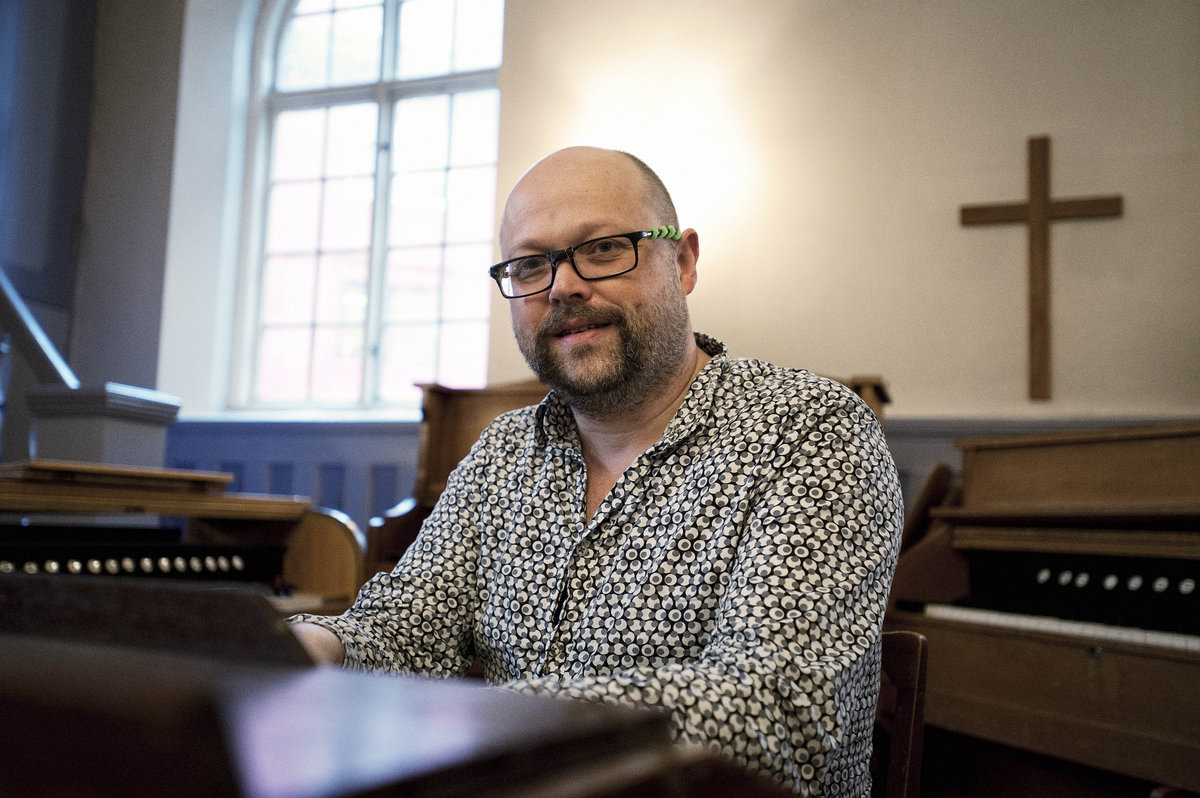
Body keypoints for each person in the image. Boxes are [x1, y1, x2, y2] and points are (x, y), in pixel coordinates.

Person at [289, 146, 903, 796]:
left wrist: (480, 721)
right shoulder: (502, 454)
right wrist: (313, 646)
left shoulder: (810, 431)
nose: (562, 286)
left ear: (683, 261)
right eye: (531, 264)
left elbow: (771, 708)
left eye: (604, 249)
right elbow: (409, 623)